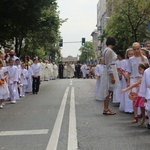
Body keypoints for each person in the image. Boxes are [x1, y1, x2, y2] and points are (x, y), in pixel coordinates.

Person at [126, 42, 149, 123]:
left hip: (142, 79)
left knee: (143, 97)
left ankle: (144, 114)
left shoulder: (144, 58)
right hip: (133, 79)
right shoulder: (130, 59)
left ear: (140, 48)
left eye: (138, 49)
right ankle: (135, 116)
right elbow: (129, 71)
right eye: (134, 49)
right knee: (134, 98)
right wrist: (128, 82)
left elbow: (147, 71)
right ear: (132, 49)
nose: (136, 51)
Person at [99, 36, 120, 115]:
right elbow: (108, 64)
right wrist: (112, 76)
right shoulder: (109, 51)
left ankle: (106, 108)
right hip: (110, 71)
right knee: (108, 90)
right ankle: (106, 108)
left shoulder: (106, 50)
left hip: (110, 70)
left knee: (109, 90)